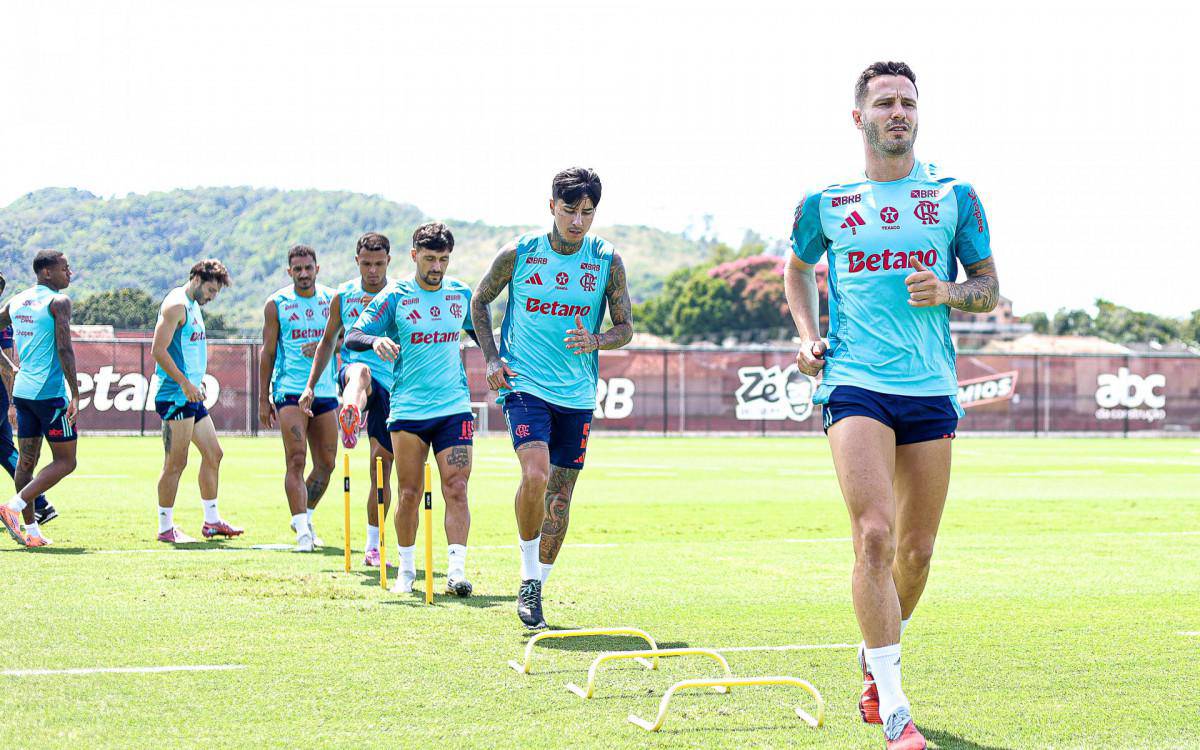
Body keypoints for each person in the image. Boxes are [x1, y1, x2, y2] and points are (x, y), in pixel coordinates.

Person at [784, 61, 999, 750]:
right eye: (884, 103)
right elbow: (795, 267)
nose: (897, 112)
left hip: (931, 388)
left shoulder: (955, 194)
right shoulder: (825, 200)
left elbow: (988, 287)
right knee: (873, 535)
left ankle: (878, 661)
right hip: (854, 384)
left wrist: (949, 291)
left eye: (907, 102)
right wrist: (808, 336)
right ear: (860, 118)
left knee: (916, 550)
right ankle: (897, 708)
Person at [470, 167, 633, 629]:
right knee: (536, 474)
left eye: (587, 212)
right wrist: (493, 358)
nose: (578, 222)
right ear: (551, 207)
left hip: (577, 394)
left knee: (560, 500)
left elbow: (625, 328)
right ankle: (525, 575)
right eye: (570, 211)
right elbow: (479, 302)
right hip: (524, 385)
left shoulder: (606, 261)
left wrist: (597, 341)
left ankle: (538, 586)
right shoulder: (520, 254)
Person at [345, 222, 476, 596]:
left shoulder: (460, 294)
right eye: (431, 258)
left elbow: (480, 333)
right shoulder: (395, 295)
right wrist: (376, 340)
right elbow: (354, 335)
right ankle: (406, 571)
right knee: (408, 493)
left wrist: (499, 360)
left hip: (454, 407)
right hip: (408, 412)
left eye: (444, 259)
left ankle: (456, 572)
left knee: (458, 487)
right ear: (414, 255)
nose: (437, 267)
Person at [299, 232, 394, 568]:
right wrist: (311, 385)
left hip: (393, 386)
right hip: (354, 374)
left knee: (380, 470)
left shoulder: (398, 295)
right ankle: (350, 412)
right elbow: (328, 342)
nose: (372, 270)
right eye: (366, 264)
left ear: (389, 262)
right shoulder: (344, 295)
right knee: (359, 372)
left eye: (379, 264)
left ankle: (373, 544)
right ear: (357, 262)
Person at [151, 259, 241, 543]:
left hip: (190, 394)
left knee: (214, 454)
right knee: (175, 463)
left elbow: (185, 349)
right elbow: (157, 350)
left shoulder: (193, 307)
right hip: (175, 396)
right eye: (211, 290)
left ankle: (212, 521)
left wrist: (195, 380)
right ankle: (166, 528)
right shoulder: (176, 304)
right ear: (196, 279)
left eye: (216, 292)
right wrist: (184, 382)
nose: (213, 297)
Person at [259, 245, 338, 552]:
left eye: (308, 268)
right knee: (296, 459)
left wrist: (324, 345)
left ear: (317, 268)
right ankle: (303, 532)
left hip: (325, 391)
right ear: (288, 271)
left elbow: (344, 338)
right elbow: (267, 352)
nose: (303, 274)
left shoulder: (332, 300)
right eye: (297, 269)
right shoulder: (276, 303)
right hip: (289, 391)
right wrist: (264, 399)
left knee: (327, 463)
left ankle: (306, 515)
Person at [0, 250, 81, 548]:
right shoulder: (58, 302)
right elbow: (65, 349)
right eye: (65, 267)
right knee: (67, 461)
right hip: (49, 395)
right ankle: (14, 506)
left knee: (26, 463)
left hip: (22, 392)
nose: (69, 273)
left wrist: (10, 368)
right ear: (46, 272)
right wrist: (75, 392)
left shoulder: (17, 300)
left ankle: (32, 532)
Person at [0, 271, 55, 526]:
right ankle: (39, 503)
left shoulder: (7, 317)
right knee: (6, 450)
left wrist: (10, 401)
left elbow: (6, 361)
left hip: (4, 393)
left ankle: (34, 502)